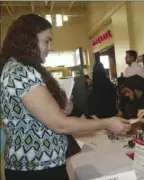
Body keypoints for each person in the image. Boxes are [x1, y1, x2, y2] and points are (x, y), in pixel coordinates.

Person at [0, 14, 131, 180]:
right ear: (28, 40)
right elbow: (59, 125)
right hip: (37, 170)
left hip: (38, 165)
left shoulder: (16, 69)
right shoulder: (21, 72)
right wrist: (106, 123)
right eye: (46, 41)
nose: (50, 47)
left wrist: (59, 110)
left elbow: (35, 116)